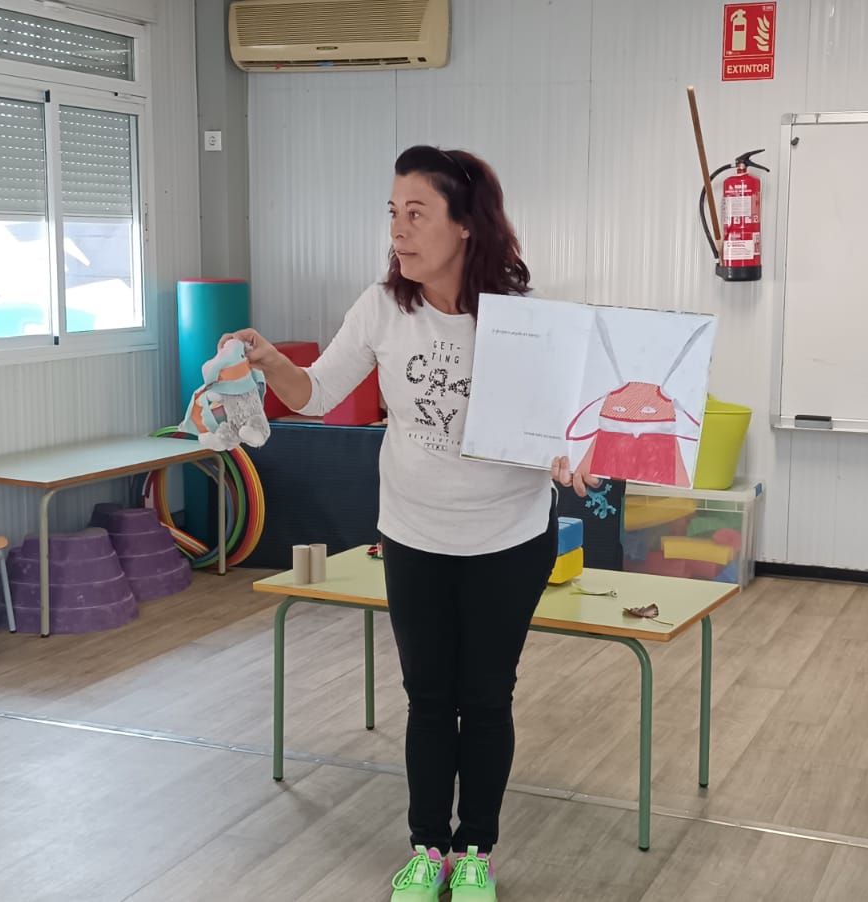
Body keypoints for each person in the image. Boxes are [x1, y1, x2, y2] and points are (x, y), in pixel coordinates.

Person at [226, 145, 597, 902]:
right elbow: (315, 394)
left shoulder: (526, 319)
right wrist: (268, 361)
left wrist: (571, 458)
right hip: (414, 537)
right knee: (428, 699)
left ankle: (476, 853)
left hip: (509, 540)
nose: (399, 230)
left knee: (486, 699)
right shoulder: (381, 307)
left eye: (417, 213)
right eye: (393, 213)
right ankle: (428, 848)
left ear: (465, 225)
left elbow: (566, 429)